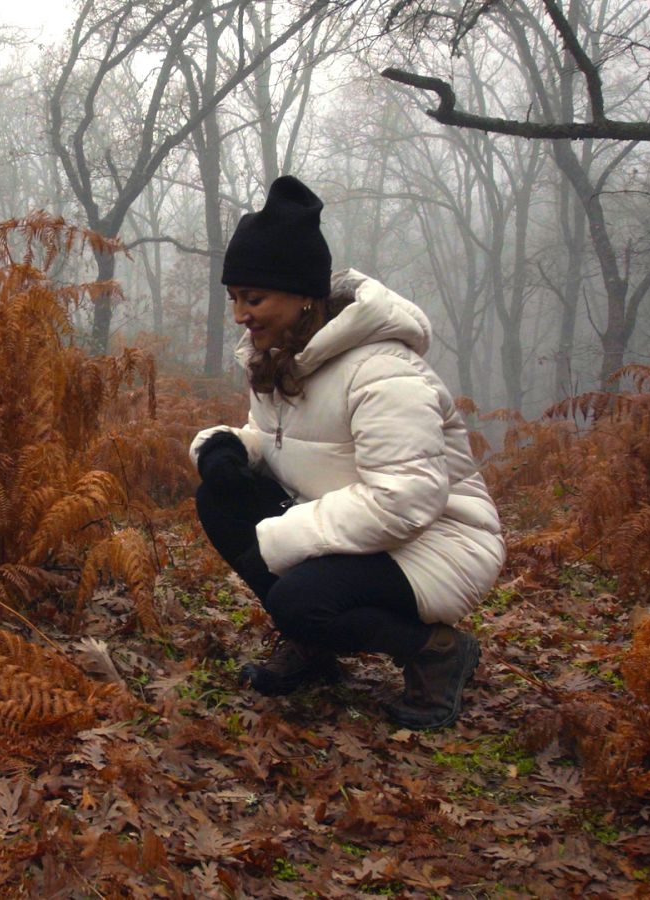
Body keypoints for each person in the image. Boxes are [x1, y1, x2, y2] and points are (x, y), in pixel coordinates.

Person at [189, 176, 505, 730]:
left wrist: (286, 532)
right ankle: (315, 648)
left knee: (299, 597)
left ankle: (436, 652)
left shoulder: (380, 370)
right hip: (356, 524)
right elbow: (288, 441)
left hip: (437, 539)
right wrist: (228, 448)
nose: (240, 314)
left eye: (253, 298)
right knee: (220, 497)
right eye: (234, 298)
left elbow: (405, 497)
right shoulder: (279, 358)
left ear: (303, 294)